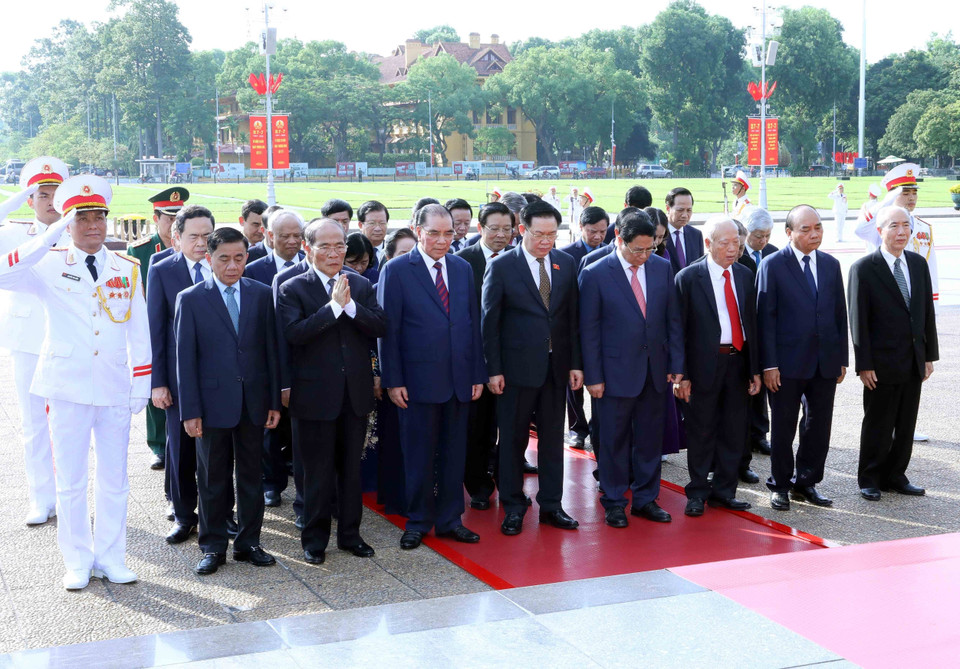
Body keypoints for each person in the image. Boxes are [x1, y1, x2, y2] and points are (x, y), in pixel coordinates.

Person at [0, 175, 150, 590]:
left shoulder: (128, 267)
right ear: (68, 223)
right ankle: (78, 560)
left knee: (115, 478)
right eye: (82, 219)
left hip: (115, 385)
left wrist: (142, 382)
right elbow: (3, 275)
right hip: (66, 386)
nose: (93, 226)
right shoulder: (47, 264)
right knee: (70, 480)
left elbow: (140, 330)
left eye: (99, 217)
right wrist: (46, 239)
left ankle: (111, 557)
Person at [277, 219, 387, 563]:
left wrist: (351, 307)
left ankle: (350, 535)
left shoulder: (360, 284)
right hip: (313, 396)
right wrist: (334, 308)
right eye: (324, 246)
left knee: (350, 471)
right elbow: (294, 334)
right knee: (315, 473)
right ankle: (314, 540)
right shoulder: (292, 287)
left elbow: (380, 325)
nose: (334, 253)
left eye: (339, 245)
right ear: (308, 248)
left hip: (353, 393)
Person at [378, 204, 487, 549]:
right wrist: (393, 380)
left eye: (449, 233)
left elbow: (472, 324)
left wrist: (476, 373)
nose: (442, 240)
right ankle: (418, 520)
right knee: (419, 456)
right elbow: (388, 331)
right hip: (416, 383)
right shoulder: (397, 270)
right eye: (435, 233)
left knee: (455, 454)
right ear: (417, 230)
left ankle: (451, 519)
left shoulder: (461, 267)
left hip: (458, 380)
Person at [175, 227, 281, 575]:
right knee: (212, 478)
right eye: (224, 258)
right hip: (211, 406)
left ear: (247, 258)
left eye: (239, 258)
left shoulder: (262, 294)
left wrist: (273, 402)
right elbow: (185, 361)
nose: (232, 266)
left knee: (251, 475)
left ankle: (249, 543)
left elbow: (271, 353)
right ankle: (213, 546)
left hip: (253, 403)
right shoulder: (190, 299)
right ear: (209, 259)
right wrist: (190, 411)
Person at [482, 200, 583, 536]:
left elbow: (571, 320)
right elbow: (489, 323)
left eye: (552, 234)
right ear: (521, 230)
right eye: (539, 234)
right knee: (512, 440)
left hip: (555, 370)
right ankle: (512, 505)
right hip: (514, 372)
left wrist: (575, 364)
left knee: (554, 441)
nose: (546, 241)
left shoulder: (566, 263)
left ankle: (552, 505)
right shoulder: (502, 266)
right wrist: (493, 369)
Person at [579, 210, 683, 526]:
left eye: (650, 248)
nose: (644, 256)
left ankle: (645, 499)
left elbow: (672, 320)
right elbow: (588, 330)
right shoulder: (596, 273)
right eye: (638, 249)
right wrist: (593, 377)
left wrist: (677, 364)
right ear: (619, 239)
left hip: (655, 371)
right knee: (613, 441)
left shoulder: (662, 268)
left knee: (650, 440)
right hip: (612, 376)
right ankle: (613, 500)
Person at [757, 205, 848, 511]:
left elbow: (839, 314)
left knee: (817, 426)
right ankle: (780, 484)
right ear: (789, 233)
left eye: (818, 228)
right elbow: (764, 319)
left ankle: (806, 482)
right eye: (806, 229)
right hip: (785, 365)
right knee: (783, 426)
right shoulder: (773, 265)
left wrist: (841, 359)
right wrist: (769, 364)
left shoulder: (831, 264)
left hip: (824, 363)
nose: (814, 234)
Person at [848, 206, 937, 501]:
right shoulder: (864, 268)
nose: (901, 232)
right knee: (878, 421)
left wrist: (929, 356)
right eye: (894, 226)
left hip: (912, 358)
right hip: (881, 362)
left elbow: (926, 314)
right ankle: (870, 477)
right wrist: (864, 364)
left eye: (906, 226)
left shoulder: (917, 264)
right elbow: (858, 320)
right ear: (880, 230)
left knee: (906, 420)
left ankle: (896, 474)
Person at [0, 157, 70, 525]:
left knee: (69, 423)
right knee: (33, 423)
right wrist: (12, 199)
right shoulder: (12, 232)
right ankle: (40, 497)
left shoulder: (79, 232)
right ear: (30, 200)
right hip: (28, 337)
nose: (50, 201)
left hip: (69, 340)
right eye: (42, 195)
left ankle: (69, 494)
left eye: (56, 194)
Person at [674, 216, 761, 517]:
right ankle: (697, 491)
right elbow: (678, 331)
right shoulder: (688, 278)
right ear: (708, 244)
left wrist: (755, 369)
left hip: (738, 362)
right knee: (701, 430)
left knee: (735, 431)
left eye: (736, 242)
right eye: (724, 243)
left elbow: (752, 324)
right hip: (702, 367)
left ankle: (725, 491)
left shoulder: (746, 275)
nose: (732, 248)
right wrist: (681, 375)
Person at [147, 204, 221, 544]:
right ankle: (183, 515)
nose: (202, 243)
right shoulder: (162, 270)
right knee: (181, 451)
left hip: (220, 378)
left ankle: (220, 514)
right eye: (194, 236)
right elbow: (156, 331)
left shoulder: (225, 265)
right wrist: (158, 382)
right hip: (178, 380)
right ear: (177, 237)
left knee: (219, 450)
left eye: (207, 235)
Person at [455, 201, 514, 510]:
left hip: (514, 360)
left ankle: (509, 485)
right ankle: (478, 486)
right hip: (476, 360)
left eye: (508, 229)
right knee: (479, 428)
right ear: (481, 228)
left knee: (513, 427)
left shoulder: (522, 260)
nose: (502, 235)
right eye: (495, 229)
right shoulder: (463, 262)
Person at [128, 186, 190, 471]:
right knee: (156, 384)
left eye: (179, 217)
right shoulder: (140, 250)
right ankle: (157, 445)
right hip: (152, 325)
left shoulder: (198, 245)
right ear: (156, 218)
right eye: (168, 218)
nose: (174, 224)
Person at [561, 206, 609, 449]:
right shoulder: (567, 255)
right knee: (575, 383)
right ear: (581, 228)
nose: (598, 237)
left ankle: (597, 426)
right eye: (592, 231)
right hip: (575, 327)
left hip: (602, 329)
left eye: (603, 231)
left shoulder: (613, 252)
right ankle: (577, 429)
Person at [244, 208, 306, 287]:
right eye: (285, 236)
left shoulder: (312, 265)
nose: (292, 241)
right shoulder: (252, 271)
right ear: (271, 236)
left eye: (297, 236)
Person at [663, 187, 703, 273]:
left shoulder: (696, 235)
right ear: (668, 208)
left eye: (689, 210)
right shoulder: (658, 235)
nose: (685, 215)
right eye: (680, 210)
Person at [358, 200, 390, 264]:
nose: (377, 228)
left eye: (382, 223)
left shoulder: (392, 250)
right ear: (361, 225)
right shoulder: (351, 249)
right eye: (372, 223)